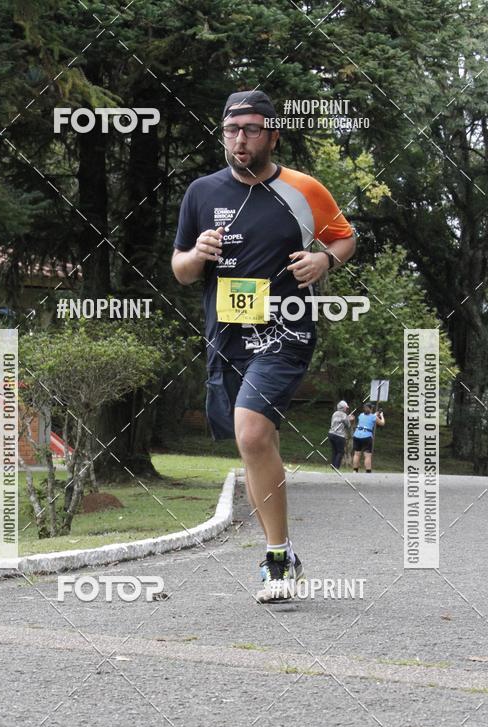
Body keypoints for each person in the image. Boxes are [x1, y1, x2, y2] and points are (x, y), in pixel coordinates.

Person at [171, 89, 356, 601]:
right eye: (232, 130)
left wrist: (325, 261)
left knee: (252, 434)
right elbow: (181, 271)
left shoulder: (302, 189)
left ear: (273, 134)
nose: (241, 139)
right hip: (226, 331)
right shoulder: (202, 193)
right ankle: (285, 549)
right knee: (254, 444)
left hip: (285, 328)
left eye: (252, 129)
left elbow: (344, 237)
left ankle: (275, 559)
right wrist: (197, 254)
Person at [351, 402, 385, 473]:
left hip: (357, 435)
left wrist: (375, 414)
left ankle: (355, 470)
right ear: (371, 409)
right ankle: (368, 472)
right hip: (366, 437)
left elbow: (368, 417)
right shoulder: (373, 417)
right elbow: (382, 423)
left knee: (357, 454)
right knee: (367, 455)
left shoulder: (361, 415)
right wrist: (381, 416)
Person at [328, 400, 351, 469]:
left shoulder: (334, 413)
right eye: (346, 408)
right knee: (340, 451)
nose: (346, 409)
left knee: (334, 451)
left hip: (331, 434)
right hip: (339, 435)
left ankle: (333, 466)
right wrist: (349, 419)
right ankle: (336, 467)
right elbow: (348, 425)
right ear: (342, 408)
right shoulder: (344, 415)